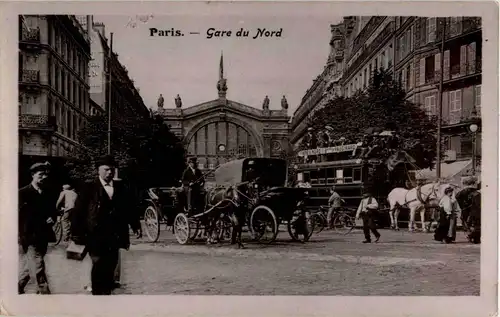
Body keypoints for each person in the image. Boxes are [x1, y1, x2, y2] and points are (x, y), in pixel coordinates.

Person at [72, 155, 141, 295]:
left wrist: (136, 225)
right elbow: (78, 212)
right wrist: (76, 234)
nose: (110, 172)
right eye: (106, 169)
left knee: (111, 265)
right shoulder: (89, 188)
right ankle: (98, 295)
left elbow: (129, 208)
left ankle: (106, 293)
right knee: (98, 264)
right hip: (94, 235)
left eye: (112, 170)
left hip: (114, 235)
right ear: (98, 170)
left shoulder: (121, 187)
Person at [18, 162, 58, 294]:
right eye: (40, 175)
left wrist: (52, 217)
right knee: (38, 264)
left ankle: (18, 286)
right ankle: (45, 294)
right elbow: (20, 216)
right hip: (29, 235)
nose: (44, 177)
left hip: (44, 235)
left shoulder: (48, 192)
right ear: (32, 175)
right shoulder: (23, 193)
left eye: (45, 175)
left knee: (33, 264)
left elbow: (53, 210)